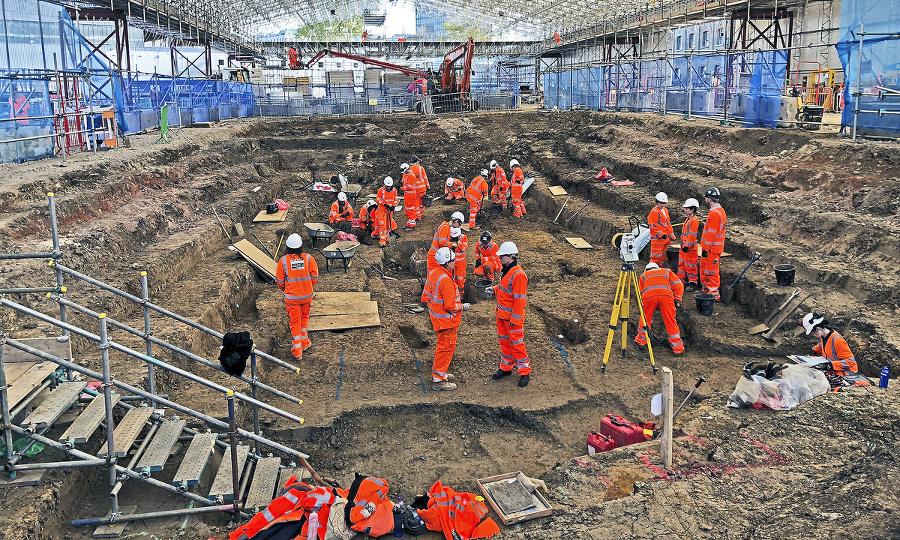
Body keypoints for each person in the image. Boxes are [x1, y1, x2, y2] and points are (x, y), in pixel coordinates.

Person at [421, 247, 470, 391]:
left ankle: (440, 372)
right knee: (446, 348)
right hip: (446, 321)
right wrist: (462, 307)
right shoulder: (446, 280)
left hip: (437, 319)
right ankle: (439, 379)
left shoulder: (434, 273)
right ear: (448, 263)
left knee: (442, 347)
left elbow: (426, 295)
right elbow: (450, 306)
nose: (455, 262)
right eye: (453, 260)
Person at [485, 242, 531, 387]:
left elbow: (520, 300)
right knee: (505, 343)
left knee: (517, 345)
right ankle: (506, 368)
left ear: (511, 256)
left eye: (502, 256)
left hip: (512, 319)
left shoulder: (519, 275)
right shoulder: (507, 270)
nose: (499, 259)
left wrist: (515, 320)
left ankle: (524, 372)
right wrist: (494, 290)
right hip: (501, 316)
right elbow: (505, 289)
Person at [275, 234, 318, 359]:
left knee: (295, 322)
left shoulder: (283, 261)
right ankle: (305, 342)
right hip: (307, 296)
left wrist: (285, 289)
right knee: (304, 317)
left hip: (292, 299)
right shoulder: (309, 259)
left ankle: (297, 351)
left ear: (288, 246)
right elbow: (314, 276)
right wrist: (308, 286)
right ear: (300, 246)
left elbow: (279, 280)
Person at [634, 262, 685, 354]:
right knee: (670, 321)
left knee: (645, 318)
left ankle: (640, 341)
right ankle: (678, 348)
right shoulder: (666, 272)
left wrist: (647, 304)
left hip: (649, 297)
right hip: (666, 297)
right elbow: (679, 285)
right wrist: (677, 299)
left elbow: (640, 292)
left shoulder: (643, 275)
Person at [801, 312, 858, 376]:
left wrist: (830, 365)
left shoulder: (837, 340)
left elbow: (850, 362)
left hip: (847, 373)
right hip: (835, 369)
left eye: (812, 333)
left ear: (817, 329)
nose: (812, 335)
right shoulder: (825, 336)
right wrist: (815, 350)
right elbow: (825, 344)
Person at [700, 187, 726, 300]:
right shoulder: (718, 211)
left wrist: (706, 248)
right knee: (706, 269)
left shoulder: (715, 214)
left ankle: (713, 294)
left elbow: (712, 233)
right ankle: (707, 290)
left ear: (709, 199)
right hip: (712, 248)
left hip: (712, 249)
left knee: (711, 271)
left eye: (706, 198)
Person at [678, 198, 701, 289]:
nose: (685, 210)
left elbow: (692, 235)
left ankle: (693, 282)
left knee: (691, 266)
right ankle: (680, 280)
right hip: (685, 247)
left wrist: (687, 246)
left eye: (687, 208)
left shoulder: (694, 220)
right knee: (682, 265)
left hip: (690, 248)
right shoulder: (688, 219)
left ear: (692, 209)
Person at [648, 192, 674, 266]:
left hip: (665, 240)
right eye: (661, 203)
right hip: (657, 241)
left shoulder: (665, 210)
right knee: (655, 258)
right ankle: (650, 272)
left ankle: (659, 271)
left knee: (662, 258)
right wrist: (661, 234)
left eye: (664, 203)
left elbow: (668, 224)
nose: (662, 205)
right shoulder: (654, 212)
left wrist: (671, 235)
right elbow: (653, 227)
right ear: (657, 202)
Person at [377, 177, 399, 247]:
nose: (388, 187)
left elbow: (395, 199)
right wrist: (385, 204)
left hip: (390, 210)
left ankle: (387, 238)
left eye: (389, 186)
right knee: (382, 225)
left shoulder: (394, 190)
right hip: (382, 210)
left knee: (388, 225)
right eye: (387, 186)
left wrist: (393, 206)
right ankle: (382, 241)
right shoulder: (381, 190)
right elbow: (378, 199)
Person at [410, 156, 429, 220]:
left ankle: (418, 216)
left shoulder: (410, 169)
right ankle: (422, 213)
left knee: (416, 203)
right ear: (417, 161)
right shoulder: (421, 168)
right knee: (422, 202)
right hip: (422, 189)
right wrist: (428, 185)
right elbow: (425, 178)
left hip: (415, 190)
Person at [401, 163, 419, 229]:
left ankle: (412, 224)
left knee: (410, 209)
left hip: (410, 194)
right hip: (407, 194)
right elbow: (404, 182)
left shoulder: (411, 175)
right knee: (407, 208)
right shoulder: (406, 175)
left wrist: (402, 188)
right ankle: (409, 222)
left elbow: (409, 187)